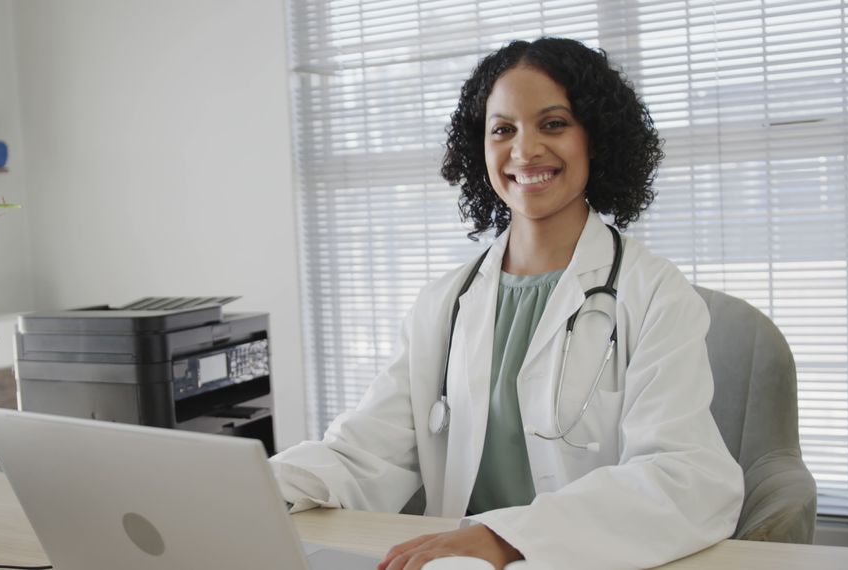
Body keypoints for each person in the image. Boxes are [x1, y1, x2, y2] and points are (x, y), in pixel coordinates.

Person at [271, 37, 744, 570]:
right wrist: (263, 486)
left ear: (597, 138)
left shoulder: (654, 293)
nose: (525, 150)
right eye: (503, 130)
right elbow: (364, 451)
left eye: (554, 124)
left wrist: (508, 536)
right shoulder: (445, 303)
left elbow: (687, 479)